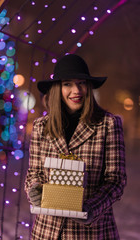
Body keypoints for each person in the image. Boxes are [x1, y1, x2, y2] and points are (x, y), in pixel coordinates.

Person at [24, 54, 127, 240]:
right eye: (68, 84)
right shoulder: (41, 126)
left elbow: (116, 180)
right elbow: (34, 172)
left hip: (92, 232)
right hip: (47, 231)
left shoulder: (108, 124)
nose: (76, 90)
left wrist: (90, 208)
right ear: (57, 88)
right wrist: (35, 189)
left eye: (81, 83)